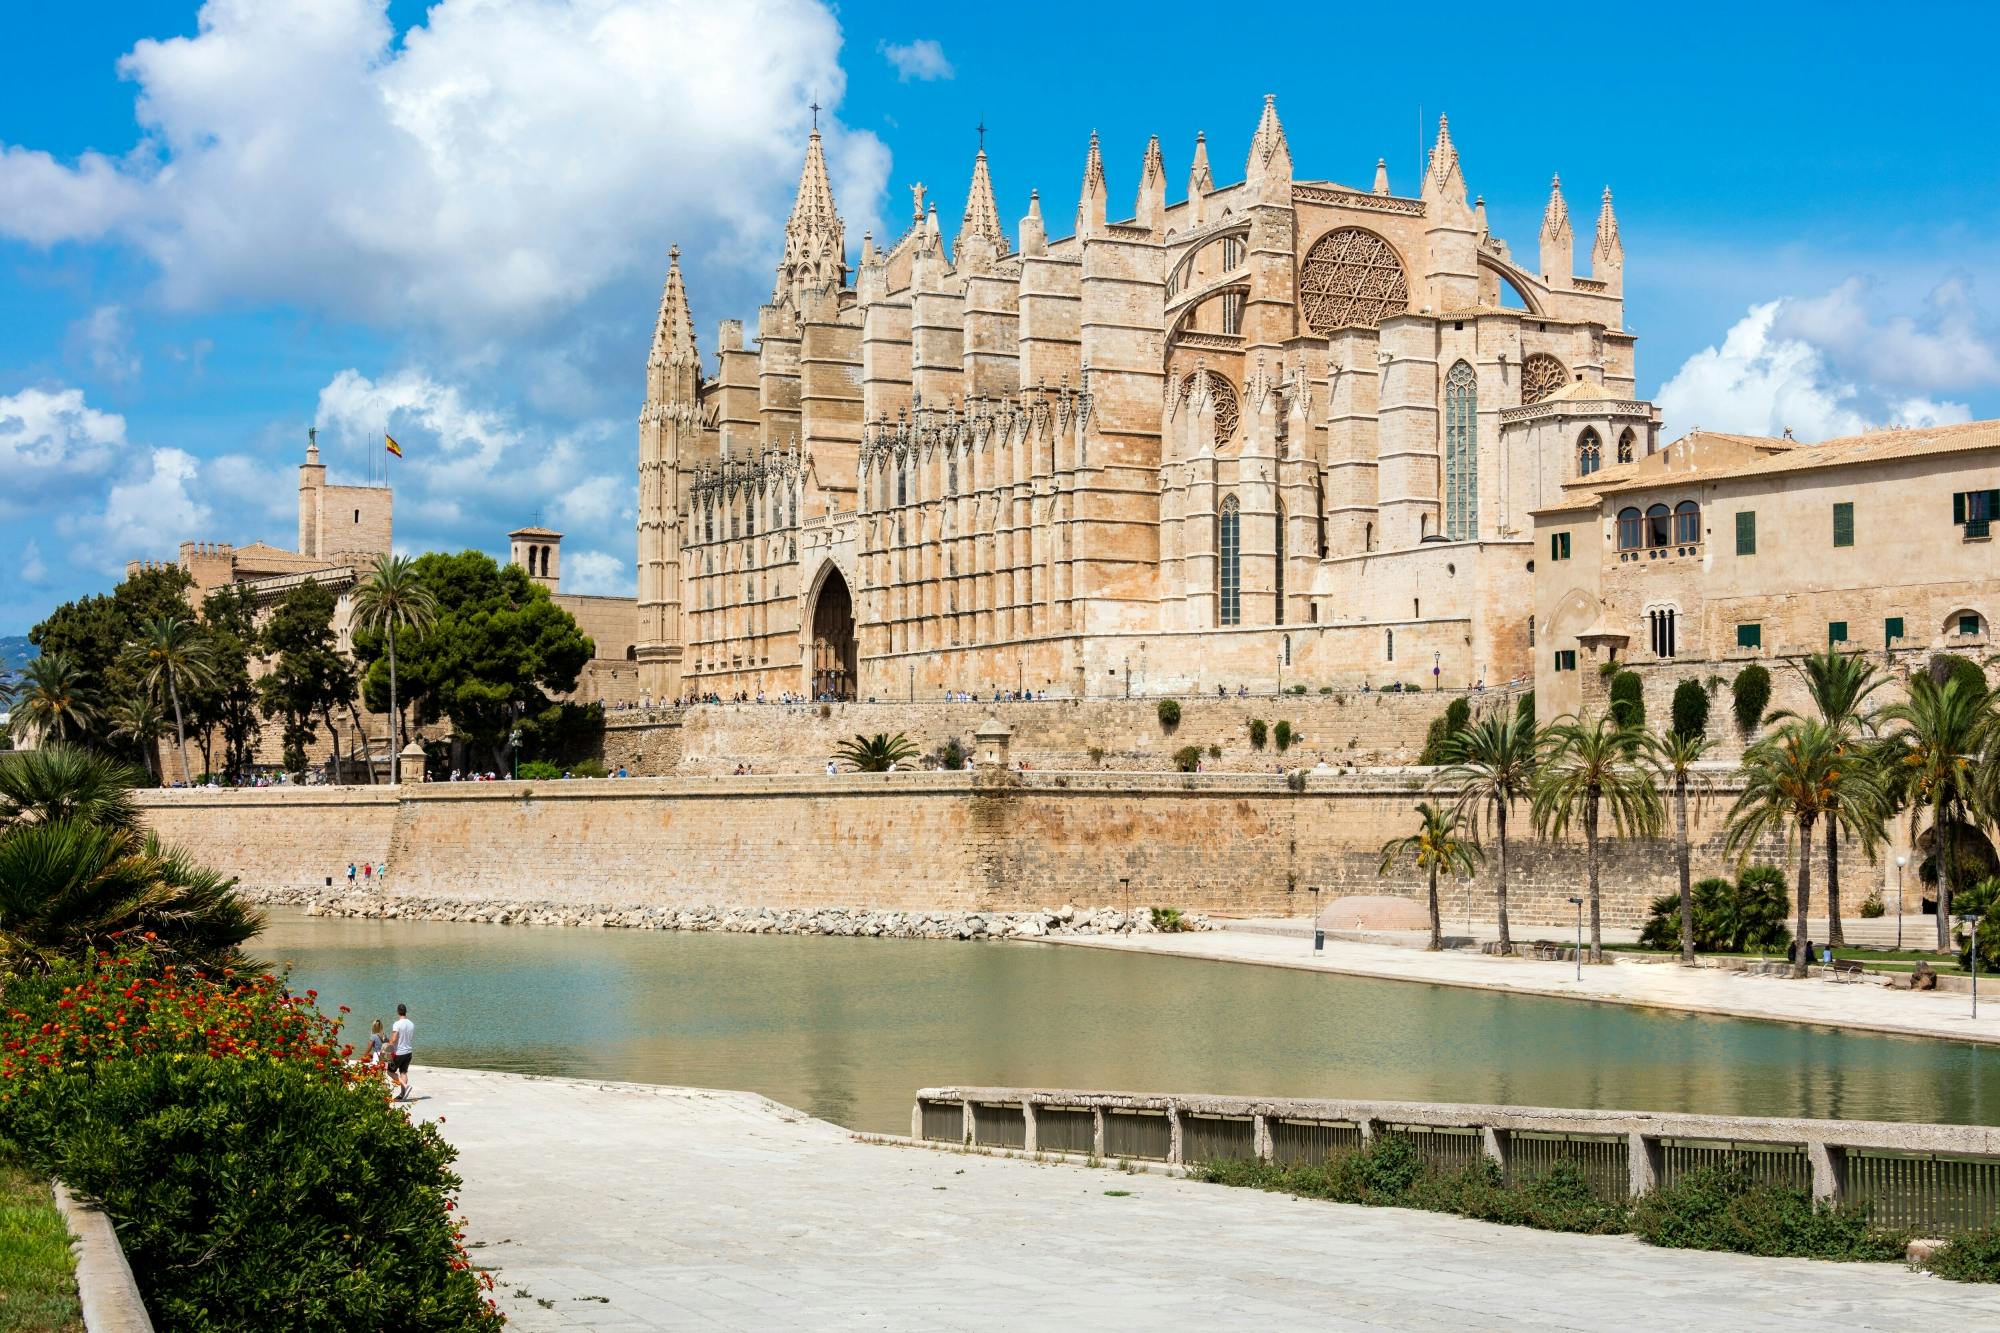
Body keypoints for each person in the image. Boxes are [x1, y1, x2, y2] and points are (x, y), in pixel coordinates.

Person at [389, 1003, 415, 1101]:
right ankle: (403, 1095)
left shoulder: (397, 1024)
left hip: (399, 1052)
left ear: (398, 1012)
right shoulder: (411, 1024)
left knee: (390, 1071)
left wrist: (388, 1046)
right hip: (408, 1052)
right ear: (405, 1011)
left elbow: (394, 1039)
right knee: (403, 1072)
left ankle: (405, 1086)